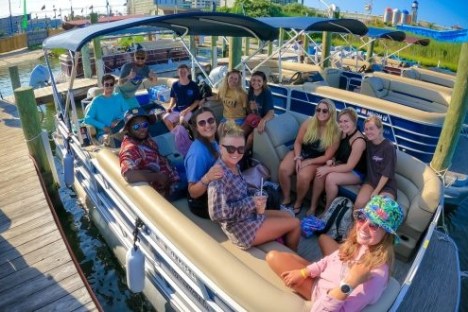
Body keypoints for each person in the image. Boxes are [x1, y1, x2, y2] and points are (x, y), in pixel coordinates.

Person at [266, 195, 404, 311]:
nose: (363, 227)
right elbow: (330, 260)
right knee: (323, 239)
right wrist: (304, 273)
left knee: (273, 257)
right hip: (324, 277)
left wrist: (350, 282)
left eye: (375, 225)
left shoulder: (375, 276)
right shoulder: (360, 243)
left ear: (387, 235)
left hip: (322, 295)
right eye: (362, 217)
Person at [208, 121, 301, 251]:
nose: (236, 153)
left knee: (289, 216)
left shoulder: (234, 165)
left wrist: (256, 199)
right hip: (241, 229)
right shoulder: (219, 175)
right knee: (295, 224)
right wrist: (252, 202)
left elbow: (240, 195)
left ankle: (281, 244)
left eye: (241, 148)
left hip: (249, 215)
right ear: (220, 148)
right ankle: (292, 259)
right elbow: (217, 214)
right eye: (230, 148)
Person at [278, 99, 340, 215]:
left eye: (325, 111)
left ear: (331, 113)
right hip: (302, 152)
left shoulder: (335, 131)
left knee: (303, 176)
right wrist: (297, 157)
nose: (321, 113)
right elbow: (298, 142)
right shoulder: (309, 122)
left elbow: (327, 156)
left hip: (318, 157)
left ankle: (298, 202)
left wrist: (309, 162)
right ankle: (286, 198)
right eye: (318, 110)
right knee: (283, 169)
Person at [307, 108, 367, 216]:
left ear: (354, 122)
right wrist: (333, 160)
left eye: (346, 121)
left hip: (357, 172)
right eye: (341, 121)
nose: (343, 124)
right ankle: (313, 206)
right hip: (343, 165)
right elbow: (337, 152)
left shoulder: (359, 141)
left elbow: (349, 166)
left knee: (330, 177)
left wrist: (328, 169)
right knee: (320, 174)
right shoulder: (343, 133)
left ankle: (327, 211)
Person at [119, 108, 179, 198]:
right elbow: (129, 175)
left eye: (144, 124)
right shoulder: (130, 148)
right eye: (136, 127)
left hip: (172, 171)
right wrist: (158, 177)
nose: (142, 129)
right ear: (128, 129)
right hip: (169, 187)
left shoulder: (143, 137)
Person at [184, 108, 223, 219]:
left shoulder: (215, 139)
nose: (207, 125)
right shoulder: (198, 154)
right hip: (203, 203)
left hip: (218, 192)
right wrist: (208, 177)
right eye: (202, 123)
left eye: (210, 120)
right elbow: (193, 192)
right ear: (196, 128)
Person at [354, 116, 397, 211]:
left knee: (378, 210)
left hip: (387, 186)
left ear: (380, 129)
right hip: (370, 182)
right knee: (358, 205)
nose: (368, 132)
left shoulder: (389, 147)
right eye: (366, 129)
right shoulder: (367, 143)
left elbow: (386, 173)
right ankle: (354, 226)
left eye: (371, 128)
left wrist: (376, 191)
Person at [84, 74, 129, 145]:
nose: (109, 86)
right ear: (102, 85)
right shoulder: (97, 100)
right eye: (107, 84)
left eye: (111, 84)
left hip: (121, 129)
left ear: (114, 85)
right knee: (109, 141)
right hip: (104, 133)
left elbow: (127, 111)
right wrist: (103, 127)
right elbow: (87, 119)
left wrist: (118, 119)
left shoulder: (119, 97)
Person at [242, 70, 275, 151]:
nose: (256, 83)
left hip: (264, 121)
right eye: (253, 80)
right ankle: (237, 149)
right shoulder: (250, 91)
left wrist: (263, 121)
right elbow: (248, 110)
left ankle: (243, 155)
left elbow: (271, 112)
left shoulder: (266, 92)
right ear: (250, 81)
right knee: (239, 133)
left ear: (263, 82)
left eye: (259, 81)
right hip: (253, 120)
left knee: (250, 138)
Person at [163, 64, 202, 130]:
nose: (182, 73)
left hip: (189, 110)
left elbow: (197, 101)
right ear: (178, 73)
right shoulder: (175, 85)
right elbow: (173, 97)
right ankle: (175, 134)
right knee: (165, 118)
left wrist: (186, 110)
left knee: (181, 122)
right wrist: (170, 107)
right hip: (177, 109)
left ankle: (181, 135)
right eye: (180, 72)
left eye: (184, 72)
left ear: (188, 72)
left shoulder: (194, 85)